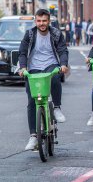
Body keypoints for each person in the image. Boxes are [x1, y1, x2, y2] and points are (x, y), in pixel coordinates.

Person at [18, 9, 69, 151]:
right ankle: (33, 136)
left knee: (54, 78)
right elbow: (22, 52)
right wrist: (22, 68)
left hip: (50, 65)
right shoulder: (29, 34)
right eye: (39, 21)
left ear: (49, 21)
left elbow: (63, 50)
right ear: (35, 21)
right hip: (33, 68)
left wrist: (63, 64)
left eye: (44, 21)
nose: (42, 24)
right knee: (32, 100)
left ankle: (57, 108)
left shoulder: (56, 33)